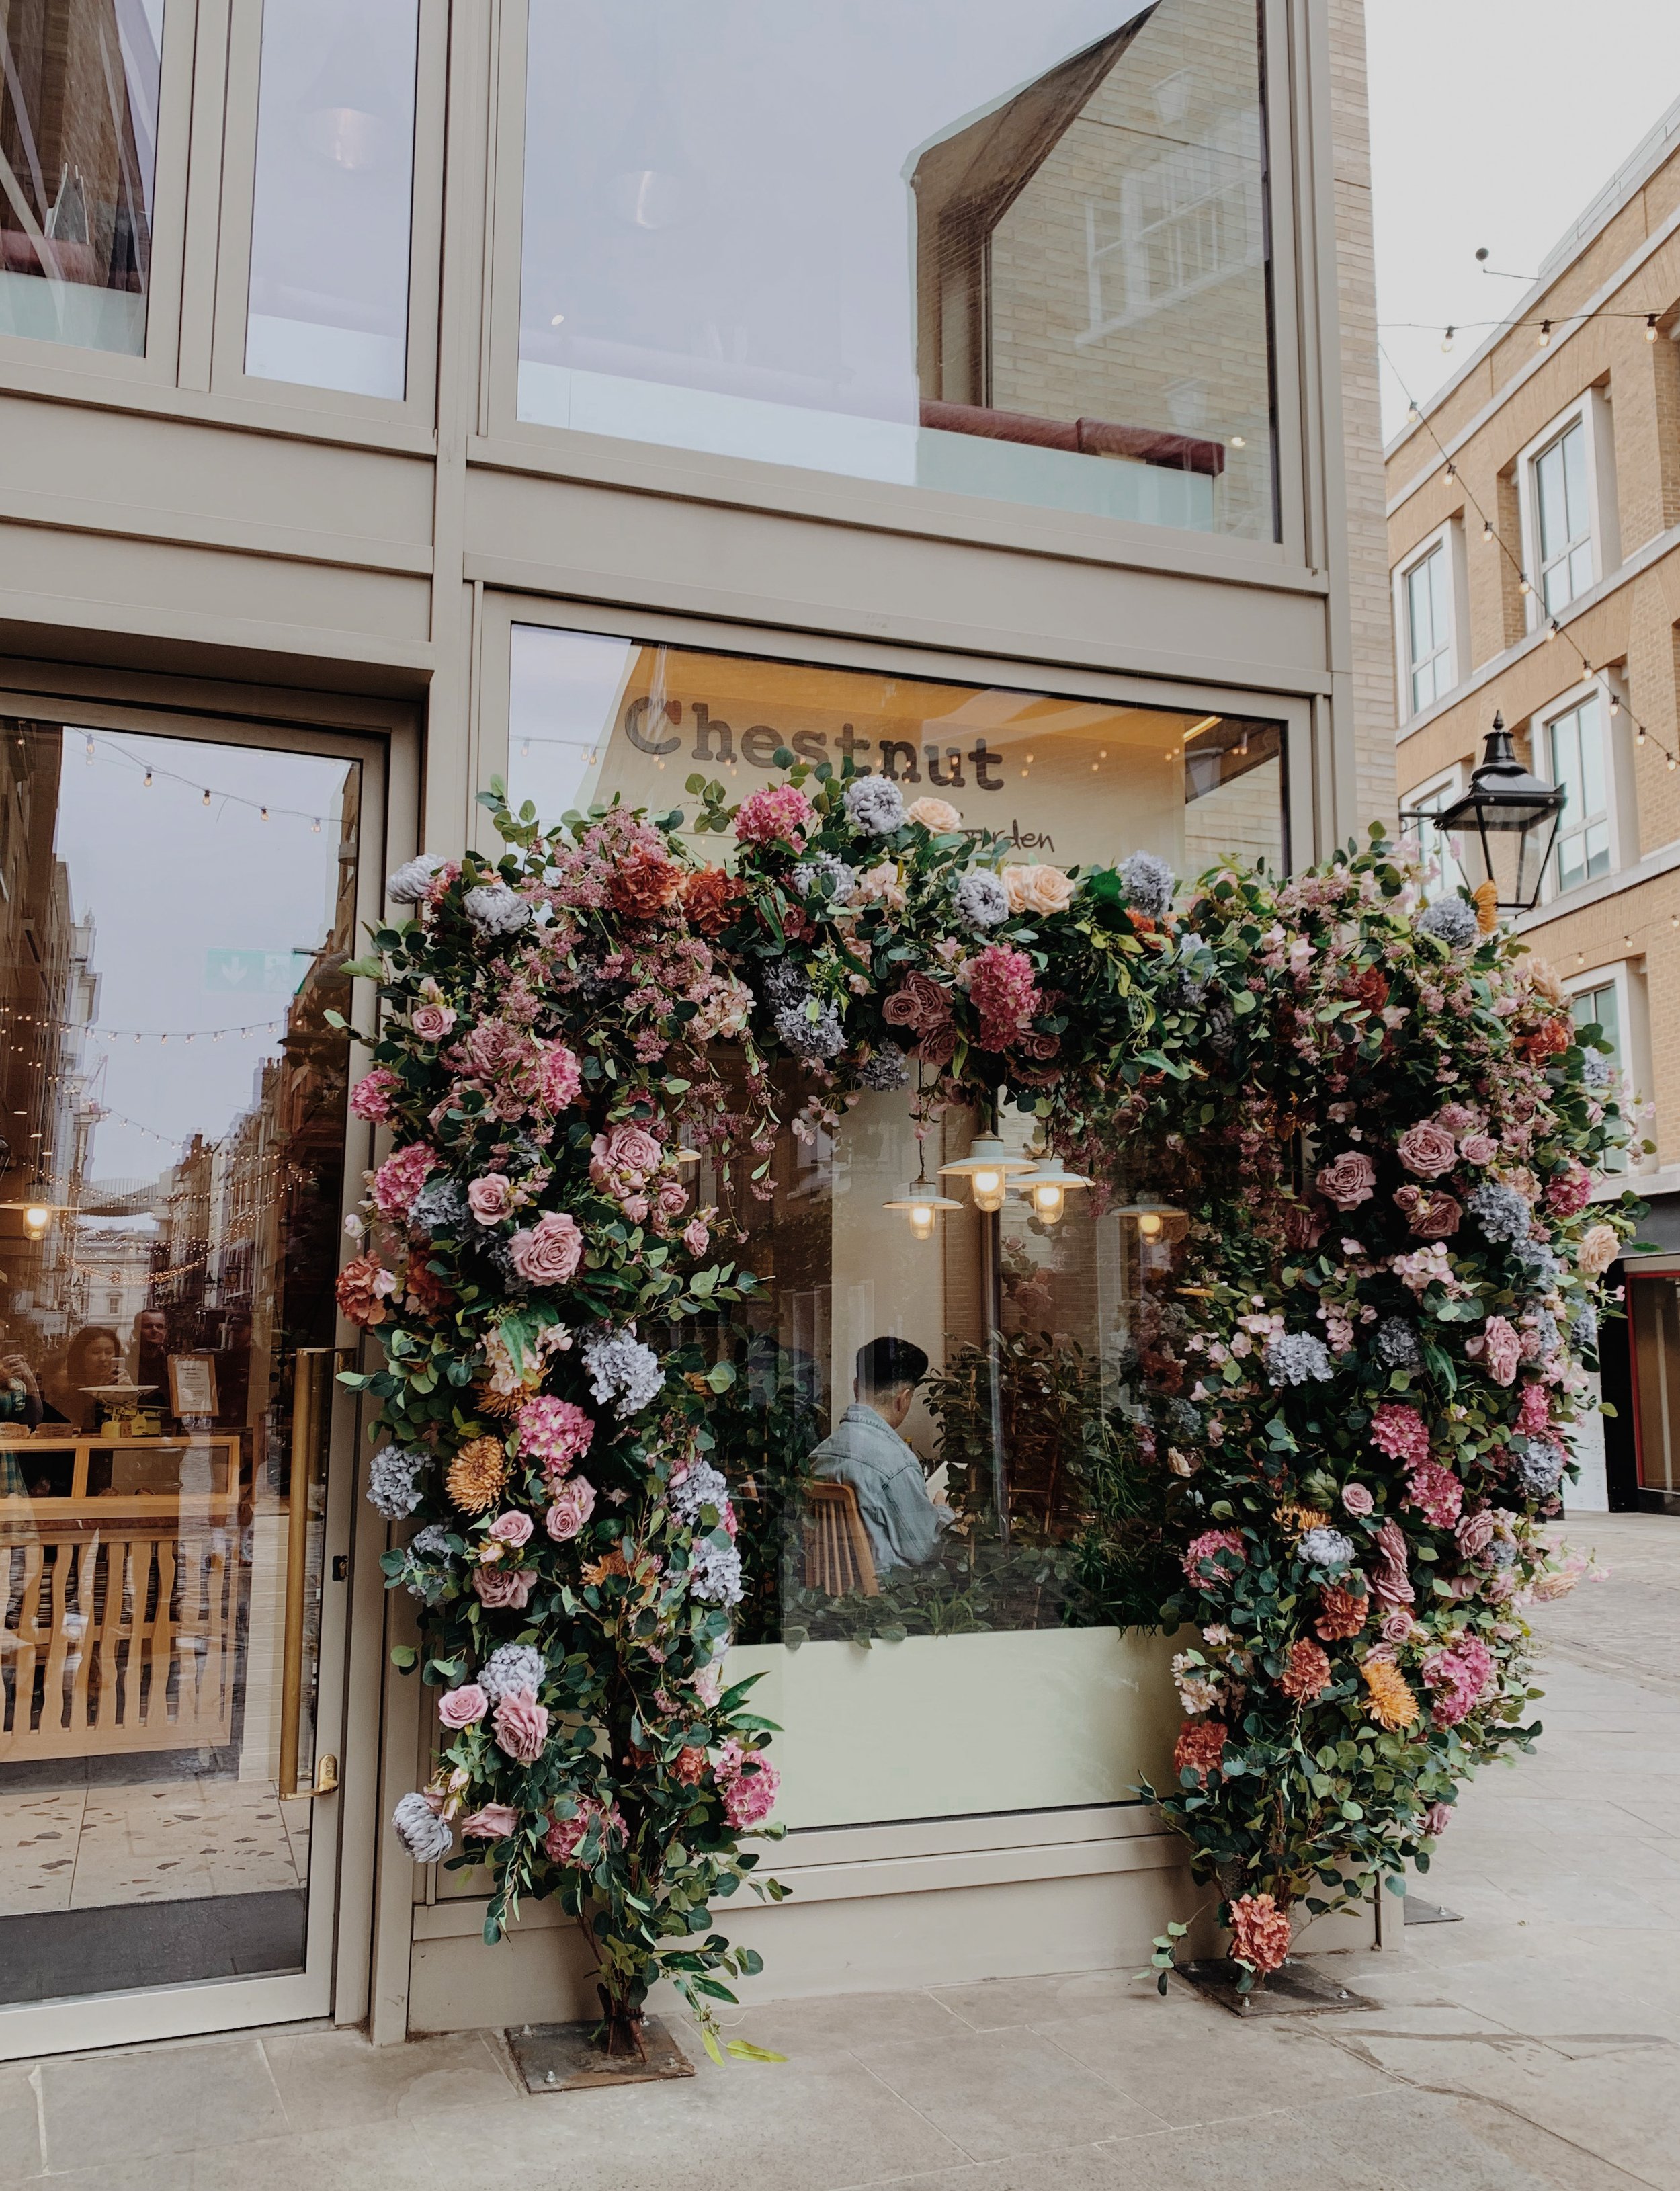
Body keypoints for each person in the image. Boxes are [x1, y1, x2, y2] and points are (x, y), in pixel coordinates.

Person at [807, 1337, 950, 1577]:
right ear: (903, 1399)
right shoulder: (897, 1465)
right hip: (886, 1600)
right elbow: (924, 1550)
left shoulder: (819, 1454)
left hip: (824, 1592)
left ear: (856, 1387)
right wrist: (943, 1512)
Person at [42, 1326, 124, 1431]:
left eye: (108, 1353)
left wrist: (129, 1397)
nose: (103, 1359)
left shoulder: (120, 1387)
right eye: (96, 1352)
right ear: (81, 1356)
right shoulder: (65, 1391)